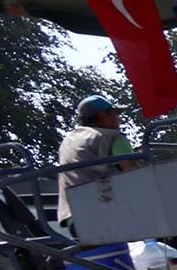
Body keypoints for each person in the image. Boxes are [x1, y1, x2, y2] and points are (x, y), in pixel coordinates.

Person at [56, 95, 138, 230]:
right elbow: (137, 177)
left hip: (73, 219)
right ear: (102, 115)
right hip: (105, 214)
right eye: (115, 114)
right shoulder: (112, 137)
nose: (120, 120)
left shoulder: (67, 142)